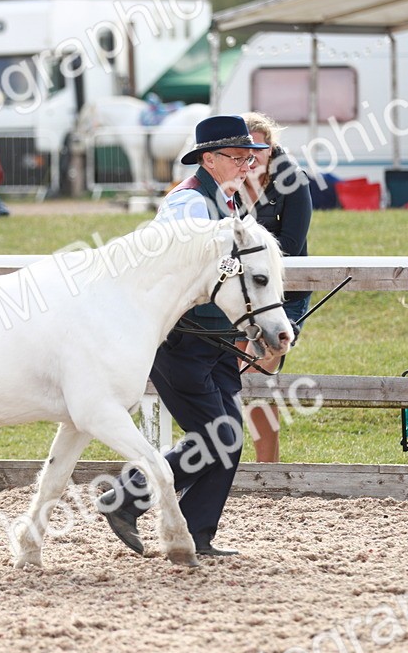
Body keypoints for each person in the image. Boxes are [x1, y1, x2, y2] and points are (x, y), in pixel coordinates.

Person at [96, 115, 270, 558]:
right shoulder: (186, 206)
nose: (248, 163)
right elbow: (166, 270)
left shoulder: (228, 203)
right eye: (238, 156)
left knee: (228, 437)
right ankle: (128, 495)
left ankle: (196, 534)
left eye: (250, 156)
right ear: (210, 159)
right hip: (183, 339)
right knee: (219, 435)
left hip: (216, 338)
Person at [238, 111, 313, 463]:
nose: (252, 157)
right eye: (245, 149)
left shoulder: (294, 182)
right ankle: (225, 467)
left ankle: (266, 467)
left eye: (259, 149)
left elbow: (292, 245)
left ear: (272, 148)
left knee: (256, 378)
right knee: (227, 378)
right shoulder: (225, 181)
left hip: (280, 295)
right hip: (233, 294)